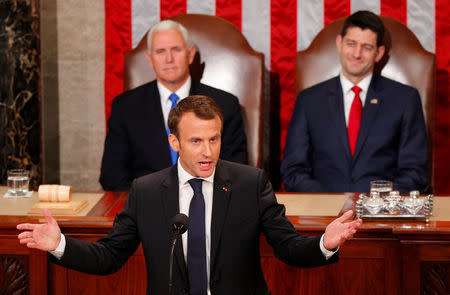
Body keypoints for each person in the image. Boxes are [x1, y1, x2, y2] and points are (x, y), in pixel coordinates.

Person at [18, 96, 361, 295]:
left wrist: (324, 243)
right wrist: (59, 244)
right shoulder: (147, 191)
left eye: (214, 139)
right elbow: (109, 256)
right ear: (175, 142)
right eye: (196, 141)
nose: (207, 151)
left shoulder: (249, 183)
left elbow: (287, 246)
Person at [281, 10, 428, 194]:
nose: (357, 54)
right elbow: (293, 171)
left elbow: (415, 173)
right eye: (351, 44)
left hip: (381, 213)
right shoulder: (309, 100)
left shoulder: (405, 99)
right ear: (339, 43)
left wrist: (374, 202)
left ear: (379, 53)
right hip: (323, 213)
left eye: (366, 47)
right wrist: (328, 201)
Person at [100, 19, 248, 191]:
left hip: (206, 201)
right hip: (148, 205)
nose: (169, 59)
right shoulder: (125, 107)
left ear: (190, 54)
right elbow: (112, 177)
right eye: (160, 51)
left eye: (176, 50)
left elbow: (235, 171)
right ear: (150, 58)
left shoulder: (225, 104)